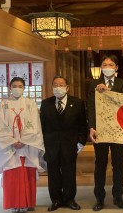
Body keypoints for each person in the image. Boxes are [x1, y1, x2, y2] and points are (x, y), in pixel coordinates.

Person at [0, 77, 45, 213]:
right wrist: (13, 141)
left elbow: (34, 123)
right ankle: (13, 204)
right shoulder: (3, 104)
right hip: (10, 147)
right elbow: (0, 125)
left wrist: (23, 140)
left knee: (28, 173)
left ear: (24, 88)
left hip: (27, 146)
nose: (17, 88)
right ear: (10, 87)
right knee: (12, 174)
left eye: (20, 86)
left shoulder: (30, 104)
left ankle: (28, 202)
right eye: (14, 86)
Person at [40, 76, 88, 211]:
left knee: (69, 173)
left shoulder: (77, 103)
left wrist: (80, 143)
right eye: (55, 85)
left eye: (61, 85)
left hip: (70, 144)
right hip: (51, 145)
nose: (58, 87)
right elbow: (42, 127)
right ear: (52, 87)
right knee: (53, 174)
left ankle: (69, 199)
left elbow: (82, 126)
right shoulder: (45, 103)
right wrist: (42, 145)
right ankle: (55, 200)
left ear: (67, 88)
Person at [88, 54, 123, 211]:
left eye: (110, 65)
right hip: (101, 130)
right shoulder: (94, 84)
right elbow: (91, 107)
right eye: (104, 65)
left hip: (119, 130)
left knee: (118, 164)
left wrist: (109, 91)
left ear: (116, 68)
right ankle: (99, 198)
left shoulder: (122, 83)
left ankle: (118, 197)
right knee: (100, 164)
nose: (107, 67)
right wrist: (92, 127)